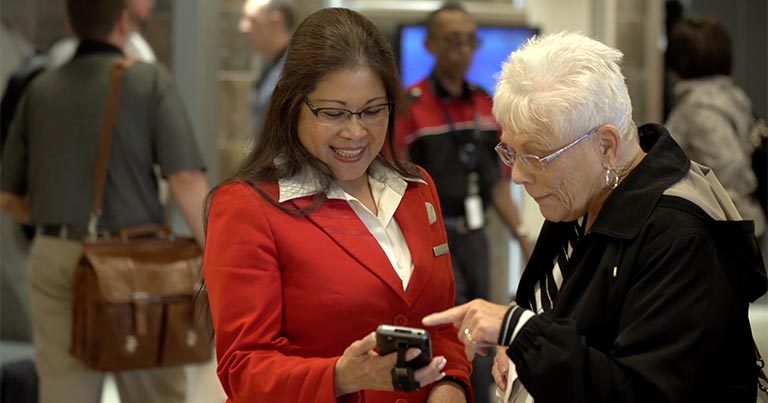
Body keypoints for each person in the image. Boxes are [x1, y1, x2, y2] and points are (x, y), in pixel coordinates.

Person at [421, 31, 767, 403]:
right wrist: (517, 344)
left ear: (605, 145)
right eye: (511, 152)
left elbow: (642, 392)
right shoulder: (582, 194)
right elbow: (564, 318)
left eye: (535, 157)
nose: (519, 175)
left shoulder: (680, 237)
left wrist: (521, 332)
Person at [203, 7, 471, 403]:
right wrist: (340, 377)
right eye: (333, 113)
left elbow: (440, 327)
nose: (355, 131)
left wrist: (451, 387)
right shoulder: (248, 207)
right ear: (292, 105)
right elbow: (244, 368)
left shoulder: (415, 188)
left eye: (373, 110)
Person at [0, 0, 210, 402]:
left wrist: (54, 221)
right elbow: (184, 178)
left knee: (65, 393)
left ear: (69, 24)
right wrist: (217, 257)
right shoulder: (149, 81)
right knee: (154, 391)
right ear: (122, 20)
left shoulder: (39, 88)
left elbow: (8, 195)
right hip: (134, 264)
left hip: (55, 256)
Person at [394, 2, 530, 401]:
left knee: (483, 328)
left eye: (470, 41)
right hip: (431, 240)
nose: (463, 50)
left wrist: (522, 234)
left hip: (475, 236)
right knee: (445, 329)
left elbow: (496, 184)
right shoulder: (411, 105)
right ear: (432, 45)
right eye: (453, 41)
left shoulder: (485, 104)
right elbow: (397, 185)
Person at [664, 16, 765, 239]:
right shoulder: (731, 96)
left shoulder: (699, 107)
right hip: (738, 221)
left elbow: (731, 166)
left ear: (679, 61)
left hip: (725, 227)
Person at [238, 0, 295, 139]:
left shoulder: (296, 69)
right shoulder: (269, 64)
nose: (242, 27)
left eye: (252, 20)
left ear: (276, 22)